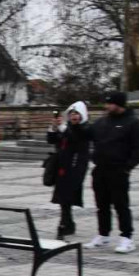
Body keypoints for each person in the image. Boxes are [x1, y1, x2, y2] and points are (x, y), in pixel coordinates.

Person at [83, 92, 139, 253]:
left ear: (119, 104)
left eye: (109, 103)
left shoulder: (134, 123)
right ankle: (103, 234)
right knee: (101, 205)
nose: (106, 106)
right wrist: (74, 125)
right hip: (100, 170)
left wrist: (128, 167)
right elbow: (85, 135)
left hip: (118, 171)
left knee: (121, 205)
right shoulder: (101, 122)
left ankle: (127, 237)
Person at [48, 101, 91, 239]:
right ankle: (68, 223)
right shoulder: (67, 128)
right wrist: (53, 127)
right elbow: (52, 140)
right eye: (72, 113)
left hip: (75, 167)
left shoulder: (84, 128)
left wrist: (61, 127)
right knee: (63, 198)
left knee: (67, 196)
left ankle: (64, 225)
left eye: (77, 114)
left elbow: (74, 139)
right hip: (62, 167)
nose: (74, 116)